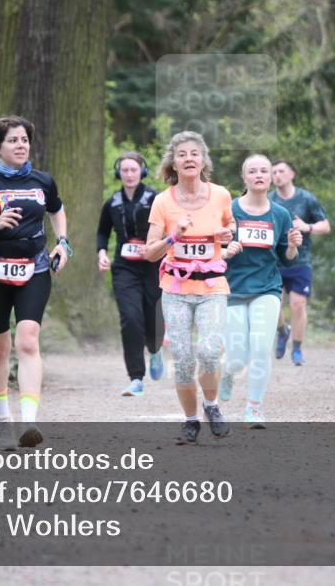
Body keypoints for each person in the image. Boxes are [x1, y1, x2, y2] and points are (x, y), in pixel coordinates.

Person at [0, 116, 71, 450]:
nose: (21, 146)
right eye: (13, 141)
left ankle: (28, 421)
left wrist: (63, 242)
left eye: (24, 140)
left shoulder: (42, 181)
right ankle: (3, 420)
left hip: (34, 269)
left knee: (28, 341)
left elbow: (57, 209)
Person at [145, 131, 235, 445]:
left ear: (203, 160)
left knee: (209, 352)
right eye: (182, 154)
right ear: (173, 162)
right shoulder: (162, 202)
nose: (189, 159)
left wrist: (227, 235)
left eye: (194, 153)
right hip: (175, 289)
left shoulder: (221, 194)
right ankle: (190, 420)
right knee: (182, 358)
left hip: (212, 287)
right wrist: (174, 237)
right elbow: (149, 251)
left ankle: (211, 405)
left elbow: (230, 226)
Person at [220, 155, 302, 427]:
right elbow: (214, 250)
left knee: (260, 348)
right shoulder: (229, 210)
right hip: (232, 289)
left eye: (263, 171)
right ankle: (228, 374)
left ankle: (254, 407)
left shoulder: (280, 214)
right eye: (252, 171)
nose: (258, 175)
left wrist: (292, 245)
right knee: (236, 357)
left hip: (267, 288)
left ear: (270, 177)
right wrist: (225, 250)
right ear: (244, 177)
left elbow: (287, 257)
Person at [96, 151, 165, 396]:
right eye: (124, 170)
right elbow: (102, 232)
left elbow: (168, 228)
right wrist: (101, 253)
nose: (128, 174)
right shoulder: (112, 202)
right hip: (124, 267)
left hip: (153, 265)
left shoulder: (155, 199)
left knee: (153, 318)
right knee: (130, 319)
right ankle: (136, 377)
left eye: (133, 169)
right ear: (118, 173)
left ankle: (156, 351)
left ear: (141, 172)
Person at [269, 160, 330, 366]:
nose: (277, 175)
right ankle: (281, 331)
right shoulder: (269, 200)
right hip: (275, 262)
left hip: (300, 262)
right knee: (274, 304)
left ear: (292, 174)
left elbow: (325, 225)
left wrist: (307, 227)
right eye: (273, 171)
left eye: (281, 171)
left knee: (297, 305)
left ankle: (296, 349)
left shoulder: (306, 199)